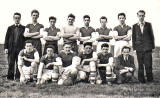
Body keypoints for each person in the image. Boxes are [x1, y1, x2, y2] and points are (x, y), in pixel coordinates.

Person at [132, 10, 155, 83]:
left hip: (148, 48)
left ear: (144, 16)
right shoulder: (134, 26)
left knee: (148, 64)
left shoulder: (148, 25)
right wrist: (134, 48)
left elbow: (152, 36)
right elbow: (133, 38)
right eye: (140, 15)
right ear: (137, 16)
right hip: (139, 48)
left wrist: (152, 47)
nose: (141, 17)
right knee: (140, 65)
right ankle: (141, 80)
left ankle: (150, 79)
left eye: (142, 15)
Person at [4, 12, 26, 80]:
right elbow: (6, 38)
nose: (17, 19)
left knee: (19, 63)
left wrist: (24, 49)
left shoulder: (24, 28)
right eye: (15, 18)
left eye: (18, 18)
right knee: (11, 63)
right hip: (11, 48)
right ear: (13, 18)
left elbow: (25, 39)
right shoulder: (10, 28)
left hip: (20, 48)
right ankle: (10, 77)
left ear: (20, 19)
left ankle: (17, 77)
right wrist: (6, 48)